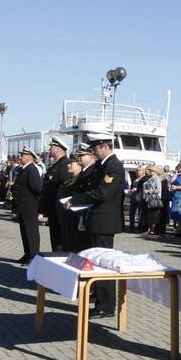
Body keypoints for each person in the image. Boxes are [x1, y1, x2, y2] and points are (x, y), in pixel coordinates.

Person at [63, 133, 125, 319]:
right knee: (95, 262)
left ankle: (106, 305)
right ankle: (99, 300)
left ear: (105, 146)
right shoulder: (101, 165)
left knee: (103, 264)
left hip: (104, 222)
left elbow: (101, 193)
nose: (94, 152)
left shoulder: (114, 167)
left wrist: (75, 199)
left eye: (96, 148)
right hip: (95, 220)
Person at [12, 147, 43, 265]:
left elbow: (37, 188)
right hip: (22, 207)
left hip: (30, 207)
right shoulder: (24, 169)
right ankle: (27, 253)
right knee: (25, 232)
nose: (20, 157)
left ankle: (33, 256)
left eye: (22, 155)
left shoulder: (32, 170)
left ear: (29, 157)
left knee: (31, 233)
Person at [39, 138, 71, 250]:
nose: (49, 150)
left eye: (51, 147)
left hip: (58, 210)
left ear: (57, 149)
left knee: (59, 241)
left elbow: (64, 188)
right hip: (52, 209)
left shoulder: (65, 165)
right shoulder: (56, 165)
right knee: (55, 239)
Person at [57, 153, 85, 253]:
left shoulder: (79, 180)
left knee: (72, 248)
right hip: (65, 218)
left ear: (79, 165)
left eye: (71, 163)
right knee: (65, 246)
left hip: (73, 219)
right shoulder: (69, 180)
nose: (68, 165)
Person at [142, 167, 163, 235]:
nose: (151, 171)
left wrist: (150, 191)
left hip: (155, 199)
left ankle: (153, 229)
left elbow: (158, 189)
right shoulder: (150, 179)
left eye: (152, 171)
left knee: (154, 215)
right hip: (149, 199)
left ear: (155, 172)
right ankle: (149, 229)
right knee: (150, 215)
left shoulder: (157, 178)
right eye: (151, 170)